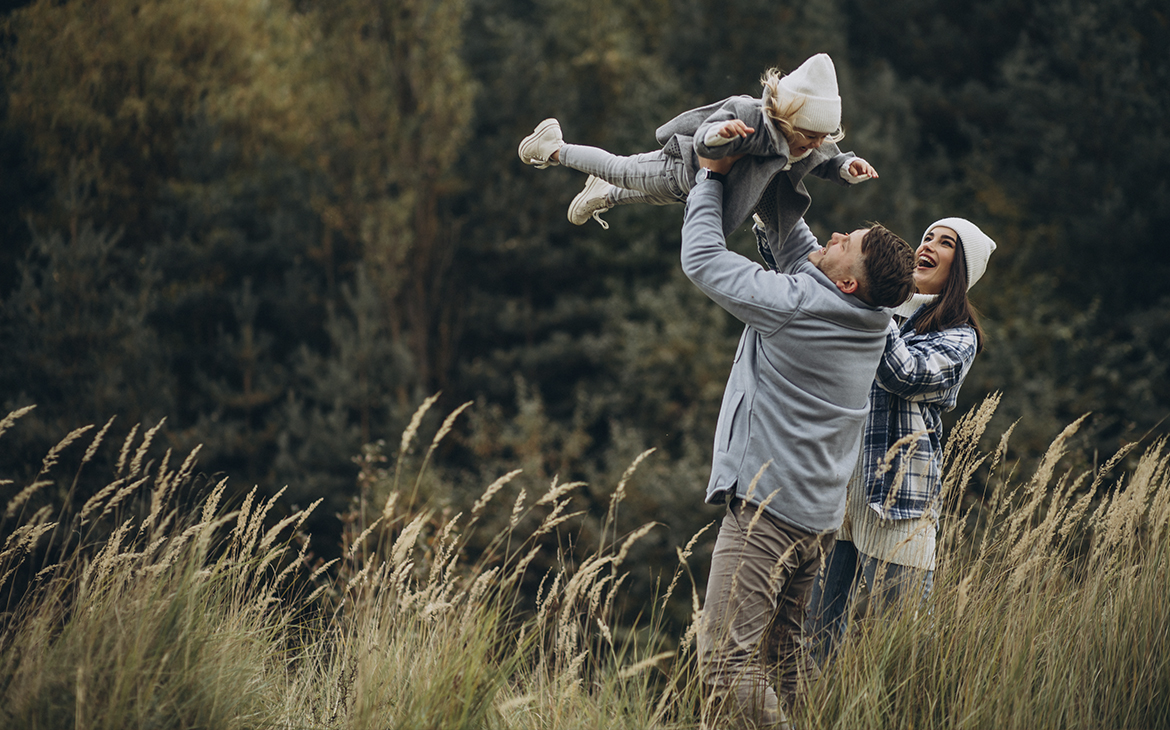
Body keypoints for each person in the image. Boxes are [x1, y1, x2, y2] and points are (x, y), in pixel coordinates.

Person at [681, 153, 915, 729]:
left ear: (847, 281)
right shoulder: (871, 321)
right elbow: (795, 239)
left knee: (725, 666)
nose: (834, 233)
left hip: (766, 513)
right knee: (785, 663)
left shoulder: (799, 307)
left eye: (846, 241)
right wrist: (783, 158)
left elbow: (703, 259)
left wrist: (712, 176)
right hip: (814, 521)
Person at [804, 217, 997, 660]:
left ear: (962, 269)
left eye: (946, 243)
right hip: (838, 500)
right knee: (812, 645)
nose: (928, 244)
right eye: (928, 236)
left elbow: (904, 375)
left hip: (897, 507)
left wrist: (879, 299)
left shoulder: (957, 335)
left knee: (905, 649)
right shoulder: (875, 309)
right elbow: (819, 277)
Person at [517, 53, 877, 239]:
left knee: (650, 196)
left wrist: (846, 167)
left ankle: (604, 194)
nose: (816, 145)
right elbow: (707, 135)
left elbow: (825, 157)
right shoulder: (750, 115)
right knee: (620, 169)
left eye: (823, 138)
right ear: (788, 117)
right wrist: (720, 136)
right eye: (810, 136)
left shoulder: (807, 144)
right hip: (682, 167)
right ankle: (554, 147)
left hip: (701, 191)